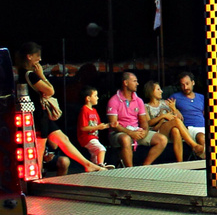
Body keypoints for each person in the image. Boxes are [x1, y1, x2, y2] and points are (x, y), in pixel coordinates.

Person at [18, 43, 105, 174]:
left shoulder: (22, 73)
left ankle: (88, 164)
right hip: (36, 117)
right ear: (29, 57)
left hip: (41, 115)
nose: (40, 59)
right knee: (39, 150)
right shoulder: (30, 74)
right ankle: (37, 177)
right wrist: (41, 74)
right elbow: (50, 90)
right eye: (37, 56)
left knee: (63, 139)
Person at [107, 71, 168, 163]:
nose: (137, 84)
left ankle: (145, 167)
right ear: (126, 83)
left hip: (136, 131)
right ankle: (130, 171)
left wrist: (145, 131)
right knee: (125, 139)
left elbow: (143, 121)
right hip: (119, 133)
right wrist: (130, 133)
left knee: (162, 139)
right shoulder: (114, 100)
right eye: (135, 81)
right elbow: (113, 124)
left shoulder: (138, 100)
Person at [143, 81, 203, 161]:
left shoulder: (166, 102)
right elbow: (148, 123)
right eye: (158, 89)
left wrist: (174, 109)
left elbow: (181, 118)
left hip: (169, 128)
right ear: (151, 91)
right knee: (176, 121)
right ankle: (193, 145)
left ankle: (180, 162)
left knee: (176, 131)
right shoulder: (146, 106)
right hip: (156, 131)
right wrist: (163, 116)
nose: (161, 91)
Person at [170, 73, 208, 147]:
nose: (185, 87)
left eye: (187, 84)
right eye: (182, 85)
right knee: (202, 138)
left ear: (193, 83)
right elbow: (164, 107)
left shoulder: (201, 97)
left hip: (204, 126)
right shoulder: (175, 97)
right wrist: (175, 110)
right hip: (190, 128)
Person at [77, 87, 109, 166]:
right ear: (88, 98)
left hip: (94, 137)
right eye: (95, 96)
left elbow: (99, 125)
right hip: (87, 138)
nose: (97, 98)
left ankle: (94, 168)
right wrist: (98, 127)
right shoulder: (84, 110)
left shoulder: (94, 111)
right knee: (101, 149)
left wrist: (110, 125)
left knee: (95, 156)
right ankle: (101, 165)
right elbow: (83, 128)